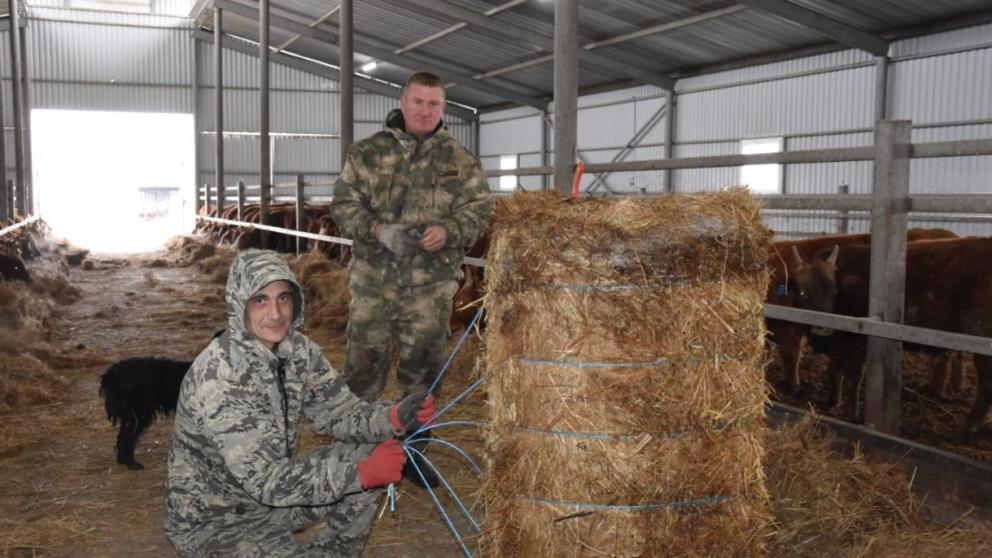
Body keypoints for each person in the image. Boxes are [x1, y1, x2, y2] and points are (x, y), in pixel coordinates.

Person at [164, 249, 436, 557]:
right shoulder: (220, 376)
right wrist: (360, 475)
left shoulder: (297, 350)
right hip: (217, 522)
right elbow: (266, 481)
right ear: (240, 303)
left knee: (372, 448)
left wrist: (394, 417)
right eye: (260, 299)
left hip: (271, 505)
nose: (276, 313)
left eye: (283, 297)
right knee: (363, 467)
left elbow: (340, 412)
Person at [330, 71, 493, 487]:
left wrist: (450, 232)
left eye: (434, 104)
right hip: (374, 284)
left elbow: (478, 210)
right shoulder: (367, 152)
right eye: (418, 102)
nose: (425, 111)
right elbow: (343, 205)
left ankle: (414, 454)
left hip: (431, 289)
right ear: (402, 103)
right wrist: (378, 230)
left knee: (422, 374)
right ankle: (356, 454)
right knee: (363, 369)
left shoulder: (460, 160)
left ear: (444, 109)